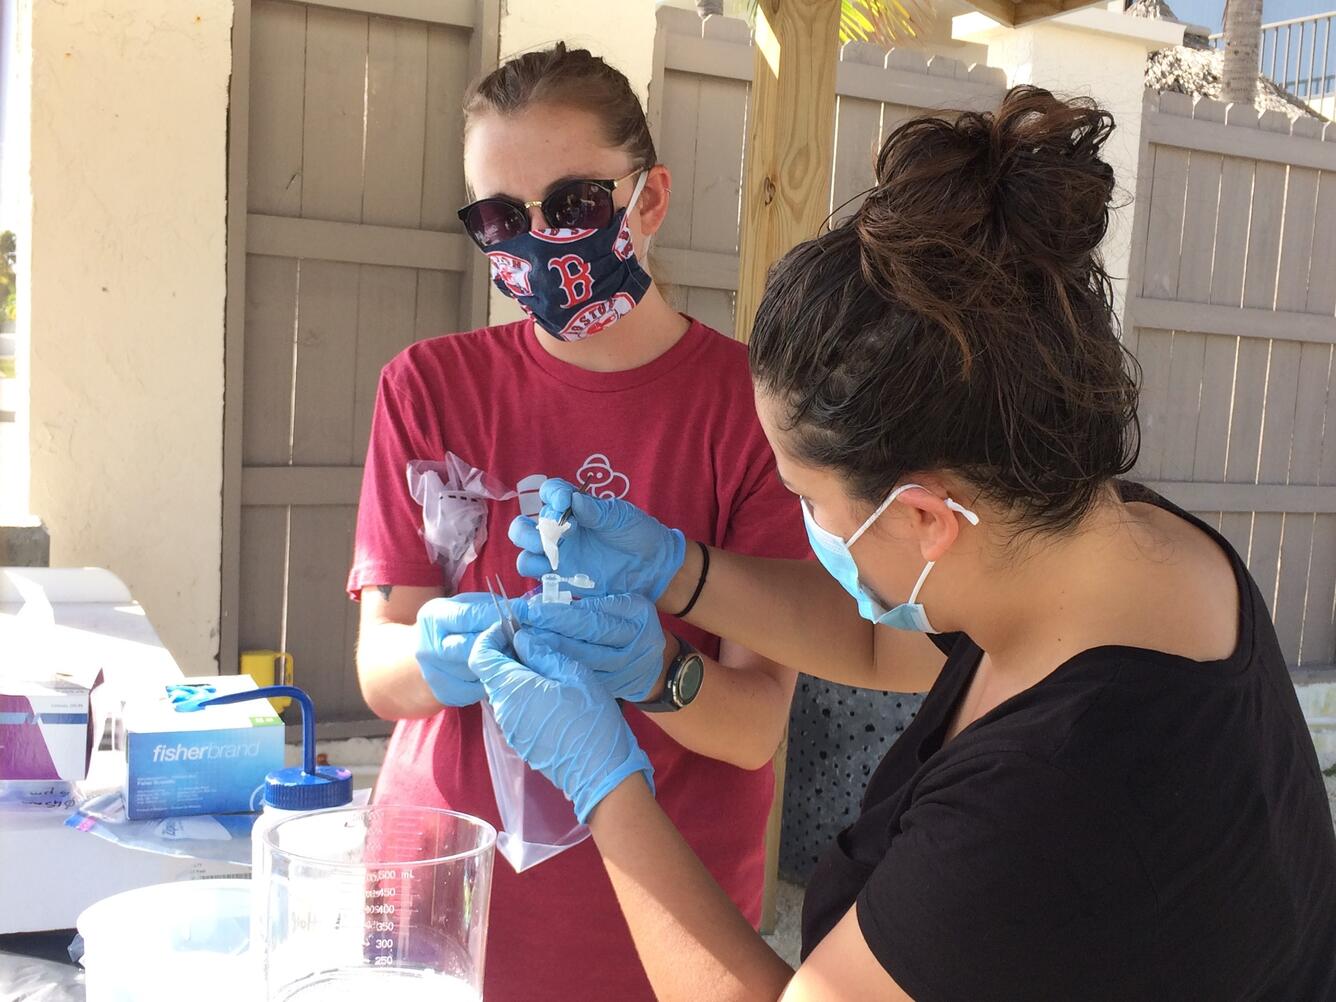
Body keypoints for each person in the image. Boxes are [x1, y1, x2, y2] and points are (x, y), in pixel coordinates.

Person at [477, 86, 1336, 1000]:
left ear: (927, 517)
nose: (807, 525)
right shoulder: (1108, 544)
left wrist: (605, 781)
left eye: (807, 496)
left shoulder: (1045, 803)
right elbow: (870, 640)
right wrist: (677, 571)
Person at [346, 45, 807, 1002]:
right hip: (443, 889)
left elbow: (757, 721)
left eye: (575, 204)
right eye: (502, 218)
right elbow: (382, 672)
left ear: (650, 199)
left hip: (658, 916)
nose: (541, 240)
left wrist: (655, 673)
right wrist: (451, 653)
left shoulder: (754, 410)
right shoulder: (428, 386)